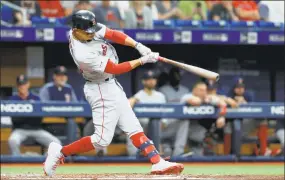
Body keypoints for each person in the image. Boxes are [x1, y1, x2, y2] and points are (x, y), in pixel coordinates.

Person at [43, 10, 184, 176]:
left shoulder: (87, 28)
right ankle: (60, 152)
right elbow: (115, 68)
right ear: (76, 31)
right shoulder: (83, 54)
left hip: (112, 85)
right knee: (102, 140)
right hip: (99, 89)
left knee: (133, 127)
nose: (93, 34)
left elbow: (112, 34)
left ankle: (157, 162)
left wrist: (138, 45)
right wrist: (142, 60)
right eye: (88, 32)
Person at [8, 75, 61, 155]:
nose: (22, 86)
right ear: (17, 86)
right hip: (20, 130)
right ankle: (18, 160)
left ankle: (44, 160)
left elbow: (39, 118)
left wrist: (23, 114)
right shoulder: (13, 99)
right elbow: (14, 119)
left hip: (37, 129)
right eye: (20, 85)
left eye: (24, 84)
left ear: (28, 84)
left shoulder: (36, 98)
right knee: (12, 141)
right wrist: (30, 113)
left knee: (57, 143)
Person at [181, 81, 227, 155]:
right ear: (194, 90)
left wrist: (221, 116)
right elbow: (195, 101)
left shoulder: (208, 98)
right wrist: (205, 99)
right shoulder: (187, 96)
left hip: (196, 130)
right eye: (201, 90)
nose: (203, 92)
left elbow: (223, 104)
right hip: (180, 129)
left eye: (205, 90)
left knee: (198, 157)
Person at [127, 70, 166, 156]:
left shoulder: (160, 96)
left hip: (158, 127)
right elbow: (127, 106)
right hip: (143, 127)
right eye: (148, 79)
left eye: (153, 79)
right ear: (143, 81)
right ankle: (138, 153)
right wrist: (133, 99)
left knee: (156, 122)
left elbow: (165, 117)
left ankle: (158, 150)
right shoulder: (139, 95)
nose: (151, 81)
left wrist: (162, 124)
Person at [228, 77, 268, 156]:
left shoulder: (248, 95)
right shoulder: (229, 96)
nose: (240, 89)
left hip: (247, 122)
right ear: (234, 88)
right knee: (235, 123)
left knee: (263, 120)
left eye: (242, 87)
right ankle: (233, 155)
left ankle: (262, 152)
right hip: (233, 123)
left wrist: (244, 103)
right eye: (237, 87)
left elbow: (255, 110)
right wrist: (233, 102)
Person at [159, 67, 190, 156]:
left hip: (178, 122)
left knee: (185, 120)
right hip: (166, 122)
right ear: (170, 77)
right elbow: (160, 108)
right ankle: (166, 149)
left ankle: (178, 153)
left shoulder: (185, 90)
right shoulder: (163, 90)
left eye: (178, 75)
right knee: (167, 152)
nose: (176, 77)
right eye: (174, 75)